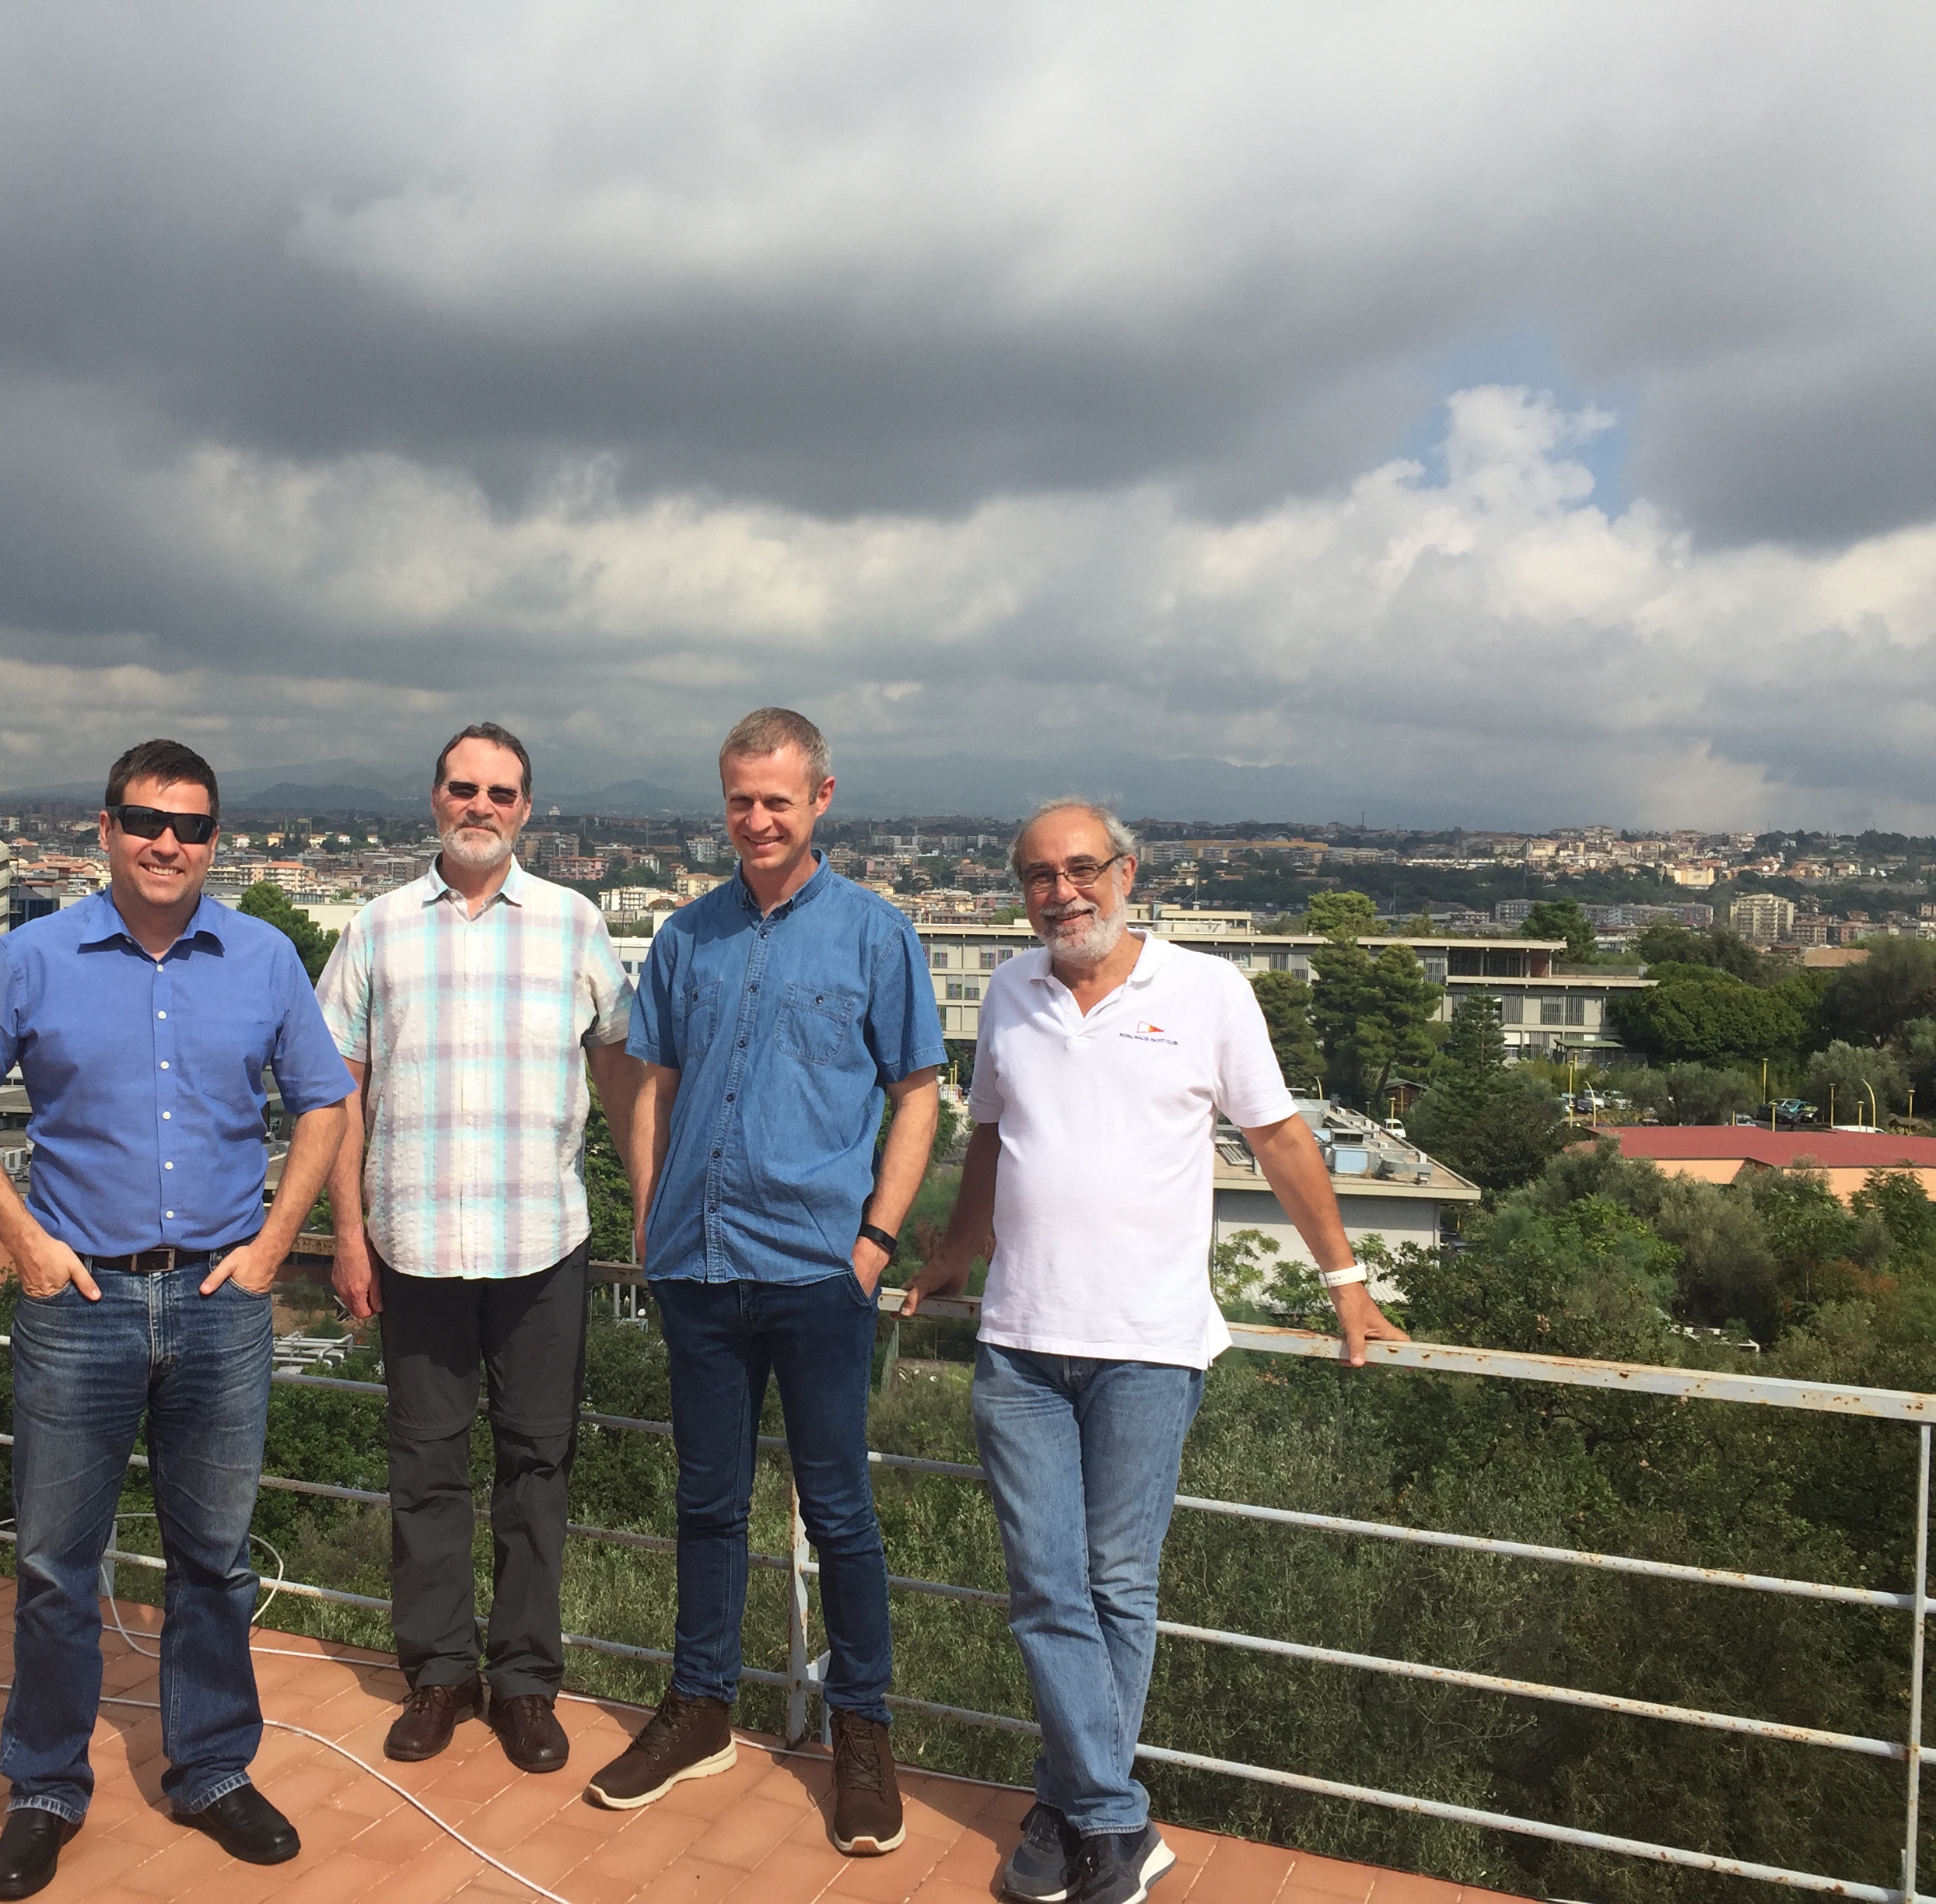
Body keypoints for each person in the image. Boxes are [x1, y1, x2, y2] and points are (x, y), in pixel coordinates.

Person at [901, 800, 1409, 1904]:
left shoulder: (1207, 990)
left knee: (1117, 1585)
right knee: (1046, 1590)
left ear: (1127, 875)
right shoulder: (1008, 992)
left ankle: (1070, 1809)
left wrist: (1346, 1284)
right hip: (1020, 1342)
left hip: (1147, 1346)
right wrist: (955, 1252)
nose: (1062, 893)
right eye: (1040, 876)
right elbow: (989, 1138)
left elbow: (1280, 1138)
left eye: (1083, 869)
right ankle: (1114, 1821)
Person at [0, 740, 352, 1902]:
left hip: (220, 1301)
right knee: (57, 1563)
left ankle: (210, 1769)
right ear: (104, 829)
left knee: (214, 1561)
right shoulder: (33, 958)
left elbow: (326, 1102)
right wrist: (26, 1242)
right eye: (145, 820)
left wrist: (273, 1248)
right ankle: (46, 1787)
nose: (168, 843)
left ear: (215, 841)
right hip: (81, 1304)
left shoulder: (264, 957)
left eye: (191, 826)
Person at [593, 707, 945, 1857]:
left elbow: (919, 1093)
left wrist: (875, 1243)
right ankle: (700, 1708)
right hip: (697, 1264)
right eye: (740, 800)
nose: (757, 820)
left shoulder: (876, 934)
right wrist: (650, 1212)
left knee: (838, 1513)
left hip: (817, 1271)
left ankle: (861, 1733)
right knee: (707, 1503)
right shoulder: (685, 936)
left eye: (777, 800)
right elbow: (651, 1082)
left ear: (821, 799)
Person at [317, 721, 639, 1773]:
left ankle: (527, 1683)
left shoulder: (575, 923)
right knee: (425, 1468)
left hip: (542, 1243)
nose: (480, 807)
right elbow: (338, 1091)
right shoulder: (376, 928)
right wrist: (348, 1234)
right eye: (464, 788)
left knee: (538, 1465)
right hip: (412, 1243)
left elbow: (619, 1073)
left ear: (527, 810)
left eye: (501, 793)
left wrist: (650, 1200)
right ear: (435, 798)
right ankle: (440, 1675)